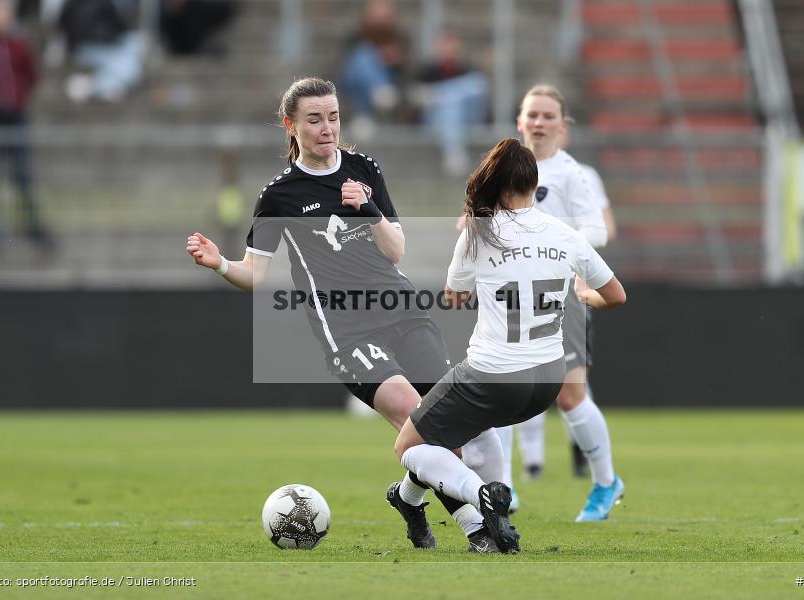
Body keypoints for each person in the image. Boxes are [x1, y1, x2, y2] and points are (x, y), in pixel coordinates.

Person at [186, 77, 502, 553]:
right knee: (417, 417)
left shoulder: (363, 169)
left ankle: (410, 497)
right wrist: (221, 264)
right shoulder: (279, 196)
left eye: (333, 117)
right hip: (346, 330)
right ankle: (477, 526)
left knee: (443, 424)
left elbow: (396, 249)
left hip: (404, 312)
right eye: (314, 119)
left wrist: (369, 209)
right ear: (291, 126)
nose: (327, 128)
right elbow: (255, 274)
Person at [394, 138, 626, 553]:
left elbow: (453, 295)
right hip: (547, 381)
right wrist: (580, 296)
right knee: (478, 432)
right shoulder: (566, 236)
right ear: (535, 186)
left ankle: (481, 496)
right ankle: (426, 505)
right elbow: (616, 295)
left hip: (494, 374)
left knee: (409, 445)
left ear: (495, 185)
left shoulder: (478, 234)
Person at [495, 83, 625, 522]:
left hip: (560, 296)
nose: (539, 122)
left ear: (562, 125)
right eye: (532, 114)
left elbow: (599, 231)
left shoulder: (572, 175)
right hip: (511, 296)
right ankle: (502, 488)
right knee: (499, 389)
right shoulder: (502, 165)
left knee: (570, 396)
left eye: (548, 115)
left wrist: (550, 241)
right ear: (519, 120)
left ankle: (606, 483)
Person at [0, 0, 49, 255]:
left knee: (22, 175)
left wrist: (19, 95)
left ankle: (33, 228)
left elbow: (31, 74)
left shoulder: (18, 45)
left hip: (15, 114)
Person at [411, 31, 488, 177]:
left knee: (474, 85)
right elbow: (415, 98)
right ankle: (454, 151)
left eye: (452, 48)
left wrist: (437, 94)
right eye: (445, 47)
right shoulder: (427, 72)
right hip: (434, 122)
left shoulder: (467, 70)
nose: (448, 52)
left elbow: (480, 91)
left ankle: (453, 153)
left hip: (467, 120)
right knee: (451, 102)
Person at [338, 0, 406, 137]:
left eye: (384, 13)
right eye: (376, 12)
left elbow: (408, 70)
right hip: (355, 82)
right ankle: (379, 92)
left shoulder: (400, 38)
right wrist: (378, 57)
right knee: (363, 54)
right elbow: (345, 66)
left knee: (365, 56)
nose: (380, 17)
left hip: (390, 80)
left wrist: (394, 61)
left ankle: (364, 114)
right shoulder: (355, 37)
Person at [59, 0, 145, 102]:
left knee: (132, 47)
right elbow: (117, 26)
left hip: (90, 46)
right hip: (93, 47)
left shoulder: (71, 4)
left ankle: (94, 85)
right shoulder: (104, 4)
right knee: (128, 67)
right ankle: (95, 87)